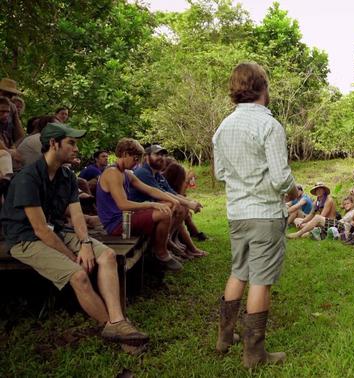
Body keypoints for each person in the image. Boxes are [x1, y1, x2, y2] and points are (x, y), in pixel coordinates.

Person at [0, 123, 148, 346]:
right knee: (78, 274)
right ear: (53, 144)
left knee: (107, 255)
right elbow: (40, 229)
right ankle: (115, 329)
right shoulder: (27, 178)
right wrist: (71, 256)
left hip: (57, 231)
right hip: (25, 238)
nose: (77, 149)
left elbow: (77, 215)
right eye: (72, 143)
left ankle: (118, 321)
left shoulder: (67, 176)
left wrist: (86, 243)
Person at [212, 62, 295, 367]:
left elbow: (221, 173)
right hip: (264, 213)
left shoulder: (223, 128)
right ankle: (255, 353)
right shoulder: (269, 125)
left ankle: (224, 336)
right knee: (260, 280)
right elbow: (281, 178)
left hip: (237, 213)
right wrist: (294, 192)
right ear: (263, 87)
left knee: (239, 271)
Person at [96, 138, 182, 271]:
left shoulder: (126, 173)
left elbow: (150, 189)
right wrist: (151, 205)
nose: (136, 163)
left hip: (126, 217)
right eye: (135, 159)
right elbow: (123, 205)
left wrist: (172, 200)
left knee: (167, 205)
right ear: (125, 154)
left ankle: (161, 245)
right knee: (164, 214)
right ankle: (161, 254)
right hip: (116, 224)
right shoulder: (112, 173)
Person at [129, 145, 206, 259]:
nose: (162, 157)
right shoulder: (143, 172)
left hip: (153, 209)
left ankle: (169, 239)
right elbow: (163, 194)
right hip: (139, 211)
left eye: (163, 155)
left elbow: (172, 192)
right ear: (146, 157)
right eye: (157, 154)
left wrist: (190, 201)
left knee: (180, 206)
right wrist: (188, 203)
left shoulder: (157, 174)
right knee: (176, 205)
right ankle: (162, 246)